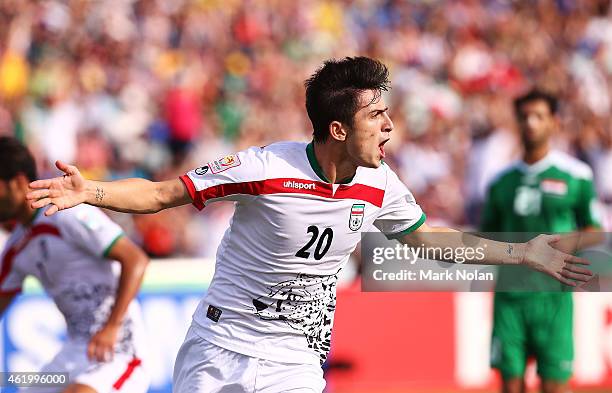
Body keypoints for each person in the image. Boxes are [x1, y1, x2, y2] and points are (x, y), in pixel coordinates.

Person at [27, 57, 591, 393]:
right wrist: (92, 190)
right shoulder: (265, 166)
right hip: (218, 346)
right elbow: (162, 192)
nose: (390, 126)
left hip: (294, 357)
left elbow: (428, 240)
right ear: (338, 130)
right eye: (376, 115)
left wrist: (522, 254)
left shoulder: (381, 184)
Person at [0, 136, 151, 393]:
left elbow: (135, 259)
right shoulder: (15, 248)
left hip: (117, 350)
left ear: (18, 182)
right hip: (74, 354)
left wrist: (111, 327)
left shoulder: (66, 215)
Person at [481, 90, 602, 393]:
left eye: (539, 116)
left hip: (554, 296)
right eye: (524, 117)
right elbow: (486, 237)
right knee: (510, 385)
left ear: (555, 123)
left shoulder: (577, 175)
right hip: (510, 296)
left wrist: (566, 244)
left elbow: (595, 228)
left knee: (555, 386)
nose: (531, 123)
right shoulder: (500, 181)